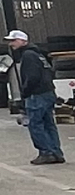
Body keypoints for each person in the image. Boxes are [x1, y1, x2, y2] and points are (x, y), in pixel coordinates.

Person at [6, 28, 64, 164]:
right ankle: (56, 152)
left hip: (37, 95)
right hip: (48, 92)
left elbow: (32, 77)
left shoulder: (28, 55)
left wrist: (25, 92)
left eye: (13, 41)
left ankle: (46, 152)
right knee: (49, 124)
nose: (11, 44)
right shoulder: (39, 55)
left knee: (35, 124)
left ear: (23, 41)